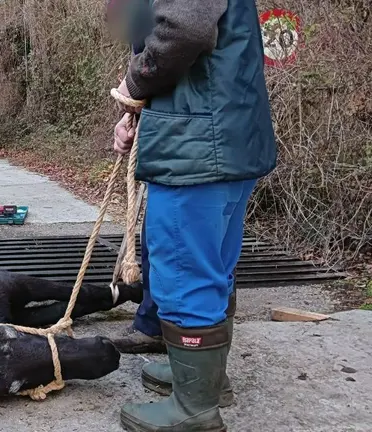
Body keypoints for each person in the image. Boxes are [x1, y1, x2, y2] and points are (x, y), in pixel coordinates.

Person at [106, 0, 277, 430]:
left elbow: (184, 30)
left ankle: (194, 408)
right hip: (224, 137)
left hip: (197, 146)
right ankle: (204, 381)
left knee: (183, 271)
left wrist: (134, 81)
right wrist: (135, 108)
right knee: (214, 266)